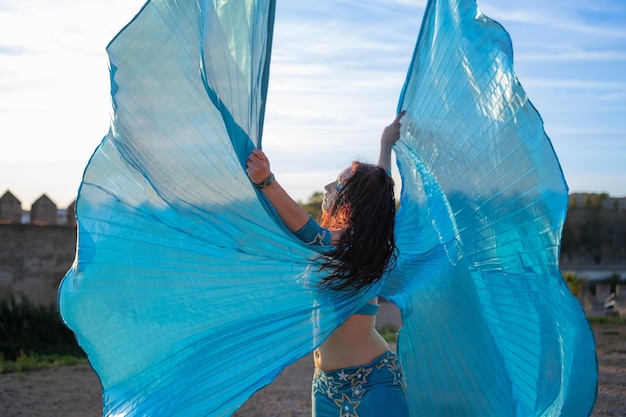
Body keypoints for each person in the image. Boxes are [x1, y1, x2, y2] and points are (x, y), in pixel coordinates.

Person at [246, 112, 409, 417]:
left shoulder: (350, 245)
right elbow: (379, 184)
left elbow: (311, 234)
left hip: (373, 385)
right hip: (325, 386)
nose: (327, 187)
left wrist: (267, 182)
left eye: (337, 184)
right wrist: (385, 142)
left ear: (354, 201)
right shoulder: (358, 242)